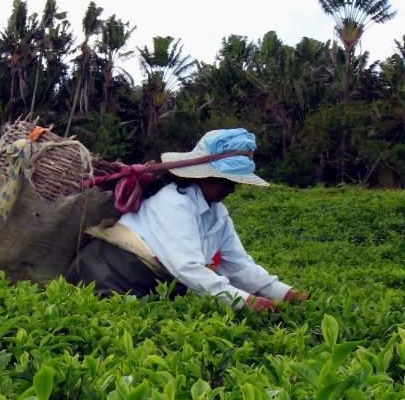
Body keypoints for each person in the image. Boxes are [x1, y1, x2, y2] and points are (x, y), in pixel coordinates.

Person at [65, 128, 309, 312]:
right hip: (108, 274)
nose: (231, 189)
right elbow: (188, 269)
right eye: (225, 181)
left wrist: (285, 293)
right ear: (203, 176)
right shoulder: (174, 202)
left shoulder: (217, 214)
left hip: (147, 284)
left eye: (234, 183)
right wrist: (247, 302)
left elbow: (238, 265)